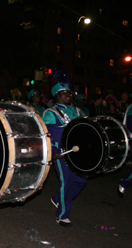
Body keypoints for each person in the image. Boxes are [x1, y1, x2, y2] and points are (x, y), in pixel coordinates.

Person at [43, 66, 87, 228]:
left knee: (82, 180)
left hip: (77, 152)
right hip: (61, 153)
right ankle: (62, 215)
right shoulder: (50, 113)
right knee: (67, 182)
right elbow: (48, 136)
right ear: (57, 96)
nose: (69, 95)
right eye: (65, 93)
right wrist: (54, 152)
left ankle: (58, 199)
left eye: (70, 93)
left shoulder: (77, 111)